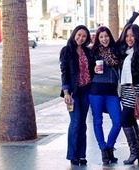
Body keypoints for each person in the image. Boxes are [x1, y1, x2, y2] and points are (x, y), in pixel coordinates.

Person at [59, 25, 95, 166]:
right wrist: (66, 92)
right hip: (73, 93)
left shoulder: (87, 51)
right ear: (74, 34)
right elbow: (64, 72)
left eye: (84, 36)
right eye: (79, 35)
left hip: (86, 91)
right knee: (75, 123)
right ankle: (73, 155)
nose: (81, 38)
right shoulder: (66, 51)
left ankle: (81, 155)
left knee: (83, 124)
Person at [116, 23, 139, 164]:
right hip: (124, 89)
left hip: (134, 89)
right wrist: (132, 19)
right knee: (131, 120)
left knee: (124, 120)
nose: (129, 38)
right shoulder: (124, 51)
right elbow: (118, 40)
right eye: (127, 36)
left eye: (132, 36)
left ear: (138, 36)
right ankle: (137, 151)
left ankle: (134, 151)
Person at [89, 26, 121, 164]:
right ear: (97, 38)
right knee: (97, 121)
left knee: (118, 122)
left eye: (106, 36)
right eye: (101, 37)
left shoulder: (116, 50)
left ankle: (109, 147)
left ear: (110, 36)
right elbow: (85, 68)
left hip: (111, 92)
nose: (104, 39)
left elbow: (126, 31)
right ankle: (103, 149)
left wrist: (133, 17)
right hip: (96, 91)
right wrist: (93, 69)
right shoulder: (92, 51)